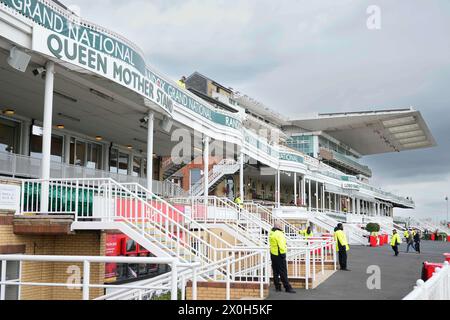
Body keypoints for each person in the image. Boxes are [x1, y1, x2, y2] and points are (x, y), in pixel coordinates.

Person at [269, 222, 296, 293]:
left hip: (273, 254)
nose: (282, 226)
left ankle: (277, 287)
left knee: (275, 271)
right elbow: (281, 244)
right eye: (281, 225)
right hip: (279, 254)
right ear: (278, 226)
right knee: (283, 272)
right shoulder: (279, 234)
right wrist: (283, 254)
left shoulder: (271, 232)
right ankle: (287, 287)